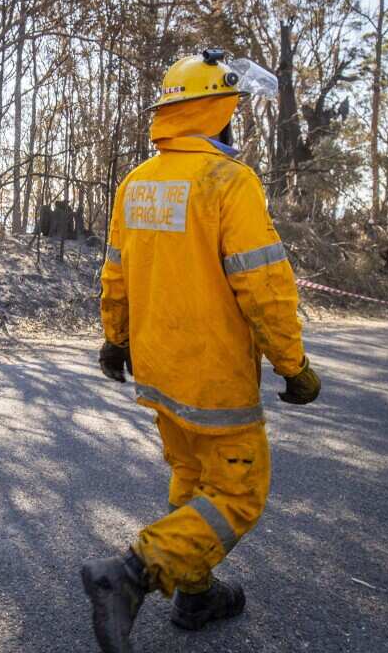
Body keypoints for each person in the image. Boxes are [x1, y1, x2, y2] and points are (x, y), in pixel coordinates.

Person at [80, 49, 322, 652]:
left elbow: (117, 274)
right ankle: (134, 572)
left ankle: (195, 593)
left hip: (159, 370)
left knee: (192, 476)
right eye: (231, 111)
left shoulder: (136, 183)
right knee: (239, 492)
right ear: (217, 112)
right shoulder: (228, 181)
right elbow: (264, 286)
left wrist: (116, 340)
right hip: (214, 374)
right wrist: (294, 366)